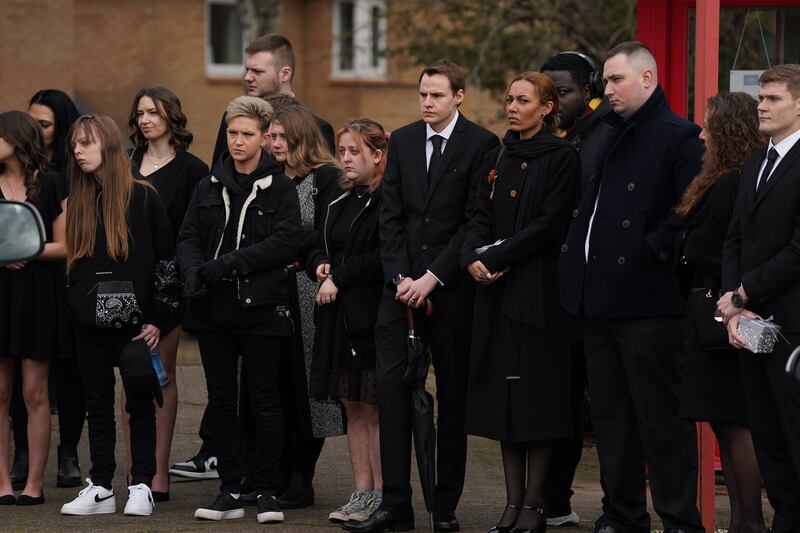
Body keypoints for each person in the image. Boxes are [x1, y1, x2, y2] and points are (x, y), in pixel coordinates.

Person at [344, 59, 499, 533]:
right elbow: (390, 218)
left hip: (450, 292)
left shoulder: (482, 145)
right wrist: (400, 281)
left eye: (436, 95)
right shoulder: (404, 140)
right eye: (422, 94)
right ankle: (395, 504)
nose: (427, 102)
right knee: (390, 393)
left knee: (451, 399)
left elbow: (475, 221)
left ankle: (444, 506)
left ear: (458, 97)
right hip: (399, 293)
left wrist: (432, 277)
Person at [558, 41, 705, 533]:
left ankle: (680, 519)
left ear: (647, 79)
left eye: (617, 79)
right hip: (598, 302)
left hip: (650, 304)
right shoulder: (607, 132)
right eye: (606, 79)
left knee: (660, 420)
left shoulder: (679, 136)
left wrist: (649, 250)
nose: (608, 88)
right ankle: (622, 513)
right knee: (613, 422)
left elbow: (690, 211)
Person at [462, 72, 579, 533]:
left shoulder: (563, 156)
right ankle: (511, 502)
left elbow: (549, 224)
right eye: (509, 98)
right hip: (495, 292)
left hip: (538, 293)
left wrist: (496, 255)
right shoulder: (499, 155)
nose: (512, 106)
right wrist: (473, 255)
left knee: (537, 400)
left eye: (523, 100)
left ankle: (534, 504)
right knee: (505, 401)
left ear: (547, 107)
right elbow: (477, 215)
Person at [176, 96, 300, 524]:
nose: (238, 141)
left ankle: (267, 491)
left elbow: (285, 243)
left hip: (262, 309)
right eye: (232, 133)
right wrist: (193, 270)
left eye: (247, 134)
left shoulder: (281, 188)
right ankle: (229, 491)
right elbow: (188, 235)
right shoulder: (207, 185)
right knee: (221, 400)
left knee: (265, 398)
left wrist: (224, 265)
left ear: (265, 138)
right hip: (214, 312)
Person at [60, 115, 179, 517]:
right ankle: (101, 485)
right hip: (88, 324)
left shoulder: (143, 198)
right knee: (97, 403)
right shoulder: (76, 202)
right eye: (74, 144)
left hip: (136, 325)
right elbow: (74, 267)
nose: (77, 150)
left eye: (87, 143)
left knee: (140, 402)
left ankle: (141, 484)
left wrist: (158, 317)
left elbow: (166, 263)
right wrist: (75, 304)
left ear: (108, 146)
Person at [676, 92, 766, 533]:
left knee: (737, 425)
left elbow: (726, 247)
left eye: (710, 125)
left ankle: (748, 522)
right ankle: (742, 522)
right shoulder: (724, 177)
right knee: (726, 425)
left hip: (726, 317)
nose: (702, 131)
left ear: (728, 131)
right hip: (711, 316)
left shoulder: (733, 182)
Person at [717, 64, 800, 533]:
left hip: (794, 326)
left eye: (772, 99)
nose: (761, 106)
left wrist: (746, 291)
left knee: (794, 435)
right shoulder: (754, 161)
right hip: (752, 326)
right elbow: (735, 239)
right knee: (767, 439)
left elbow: (798, 250)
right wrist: (735, 302)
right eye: (761, 98)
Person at [540, 51, 614, 528]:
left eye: (563, 92)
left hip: (601, 294)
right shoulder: (548, 138)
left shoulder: (603, 136)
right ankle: (556, 500)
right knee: (560, 402)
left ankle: (615, 506)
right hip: (558, 295)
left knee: (605, 407)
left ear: (588, 92)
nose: (554, 102)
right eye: (548, 94)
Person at [125, 86, 209, 501]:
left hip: (169, 285)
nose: (145, 119)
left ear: (170, 117)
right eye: (140, 112)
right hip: (125, 283)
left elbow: (196, 232)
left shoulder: (193, 170)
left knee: (163, 372)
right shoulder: (124, 164)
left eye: (153, 112)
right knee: (130, 373)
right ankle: (134, 469)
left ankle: (158, 471)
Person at [306, 119, 387, 523]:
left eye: (355, 152)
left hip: (369, 316)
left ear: (377, 155)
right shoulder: (336, 199)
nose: (347, 160)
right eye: (342, 152)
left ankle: (383, 496)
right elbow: (315, 245)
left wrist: (340, 275)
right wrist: (320, 265)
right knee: (351, 405)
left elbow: (381, 257)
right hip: (335, 316)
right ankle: (361, 491)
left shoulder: (388, 200)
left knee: (374, 407)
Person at [267, 104, 344, 507]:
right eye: (272, 136)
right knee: (276, 385)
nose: (275, 143)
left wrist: (288, 245)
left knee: (308, 389)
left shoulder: (326, 178)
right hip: (271, 292)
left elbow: (320, 235)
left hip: (310, 290)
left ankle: (302, 475)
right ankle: (277, 472)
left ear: (301, 137)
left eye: (282, 136)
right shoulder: (269, 178)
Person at [8, 89, 83, 491]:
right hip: (17, 287)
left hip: (62, 283)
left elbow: (72, 238)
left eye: (46, 123)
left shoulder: (70, 173)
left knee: (68, 369)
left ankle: (67, 450)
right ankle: (23, 451)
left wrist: (29, 250)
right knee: (20, 378)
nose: (37, 130)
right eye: (31, 122)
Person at [0, 111, 68, 505]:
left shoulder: (53, 183)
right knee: (1, 392)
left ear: (17, 138)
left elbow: (66, 245)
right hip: (1, 293)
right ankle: (4, 483)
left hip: (38, 294)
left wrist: (25, 250)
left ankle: (34, 484)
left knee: (34, 392)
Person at [209, 34, 334, 165]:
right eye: (247, 70)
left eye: (257, 71)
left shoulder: (317, 127)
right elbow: (217, 175)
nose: (247, 77)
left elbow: (320, 181)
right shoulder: (234, 117)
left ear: (285, 74)